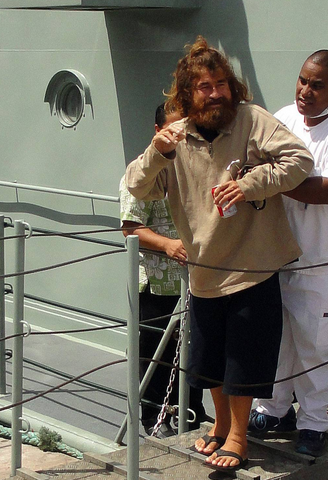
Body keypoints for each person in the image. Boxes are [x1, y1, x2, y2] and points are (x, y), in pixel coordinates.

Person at [125, 36, 314, 472]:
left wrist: (249, 185)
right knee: (209, 360)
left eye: (221, 83)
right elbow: (136, 185)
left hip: (252, 264)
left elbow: (299, 160)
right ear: (187, 94)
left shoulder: (250, 119)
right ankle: (221, 426)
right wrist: (158, 151)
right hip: (204, 267)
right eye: (205, 87)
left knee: (243, 360)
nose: (215, 93)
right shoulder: (177, 136)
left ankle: (239, 437)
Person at [250, 50, 328, 457]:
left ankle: (314, 423)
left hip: (322, 263)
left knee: (316, 346)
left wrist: (269, 181)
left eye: (317, 85)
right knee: (277, 340)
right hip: (276, 257)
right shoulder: (283, 118)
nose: (306, 91)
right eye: (303, 80)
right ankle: (273, 409)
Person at [119, 104, 205, 437]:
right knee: (155, 353)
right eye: (173, 129)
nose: (181, 137)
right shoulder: (141, 171)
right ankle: (154, 418)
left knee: (195, 348)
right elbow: (130, 228)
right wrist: (168, 245)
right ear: (158, 131)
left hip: (195, 280)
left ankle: (191, 411)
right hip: (157, 284)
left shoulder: (196, 169)